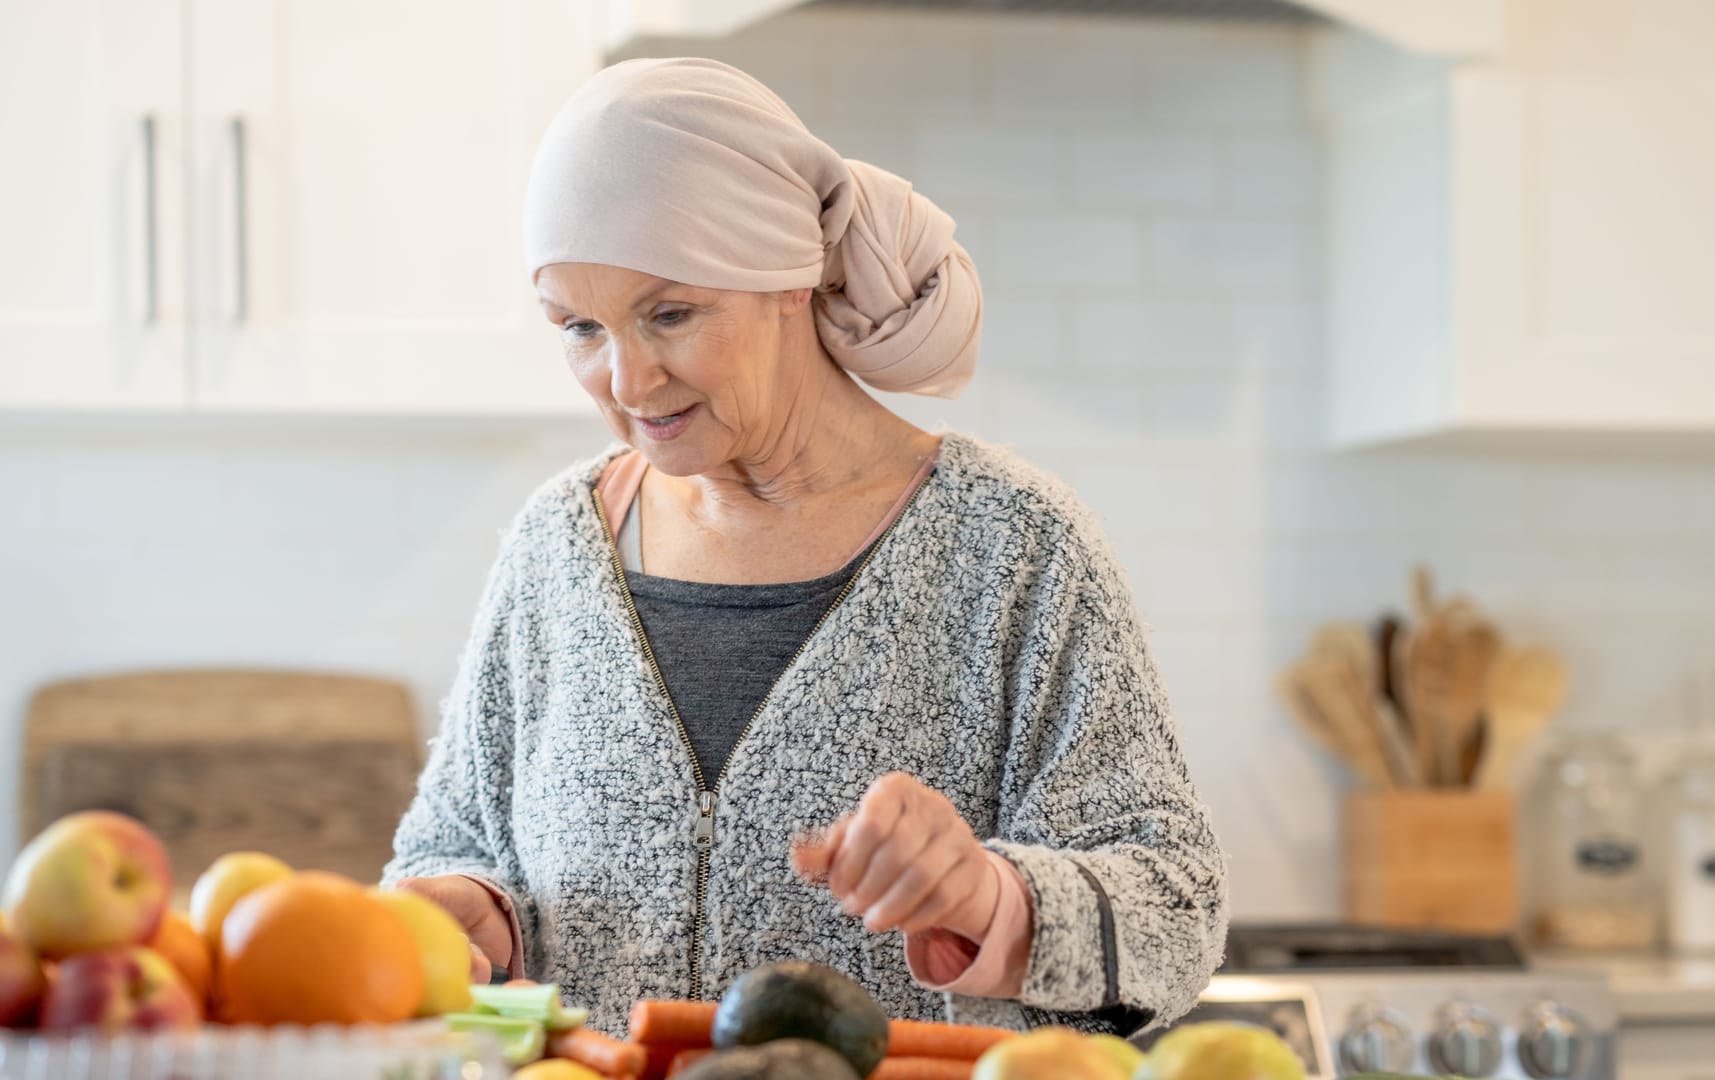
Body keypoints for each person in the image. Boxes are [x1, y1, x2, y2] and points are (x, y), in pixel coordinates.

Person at [384, 56, 1226, 1037]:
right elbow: (453, 852)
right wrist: (477, 917)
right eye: (578, 327)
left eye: (671, 313)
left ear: (789, 279)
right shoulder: (558, 547)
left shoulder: (1013, 548)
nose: (626, 378)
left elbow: (1178, 911)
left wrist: (992, 899)